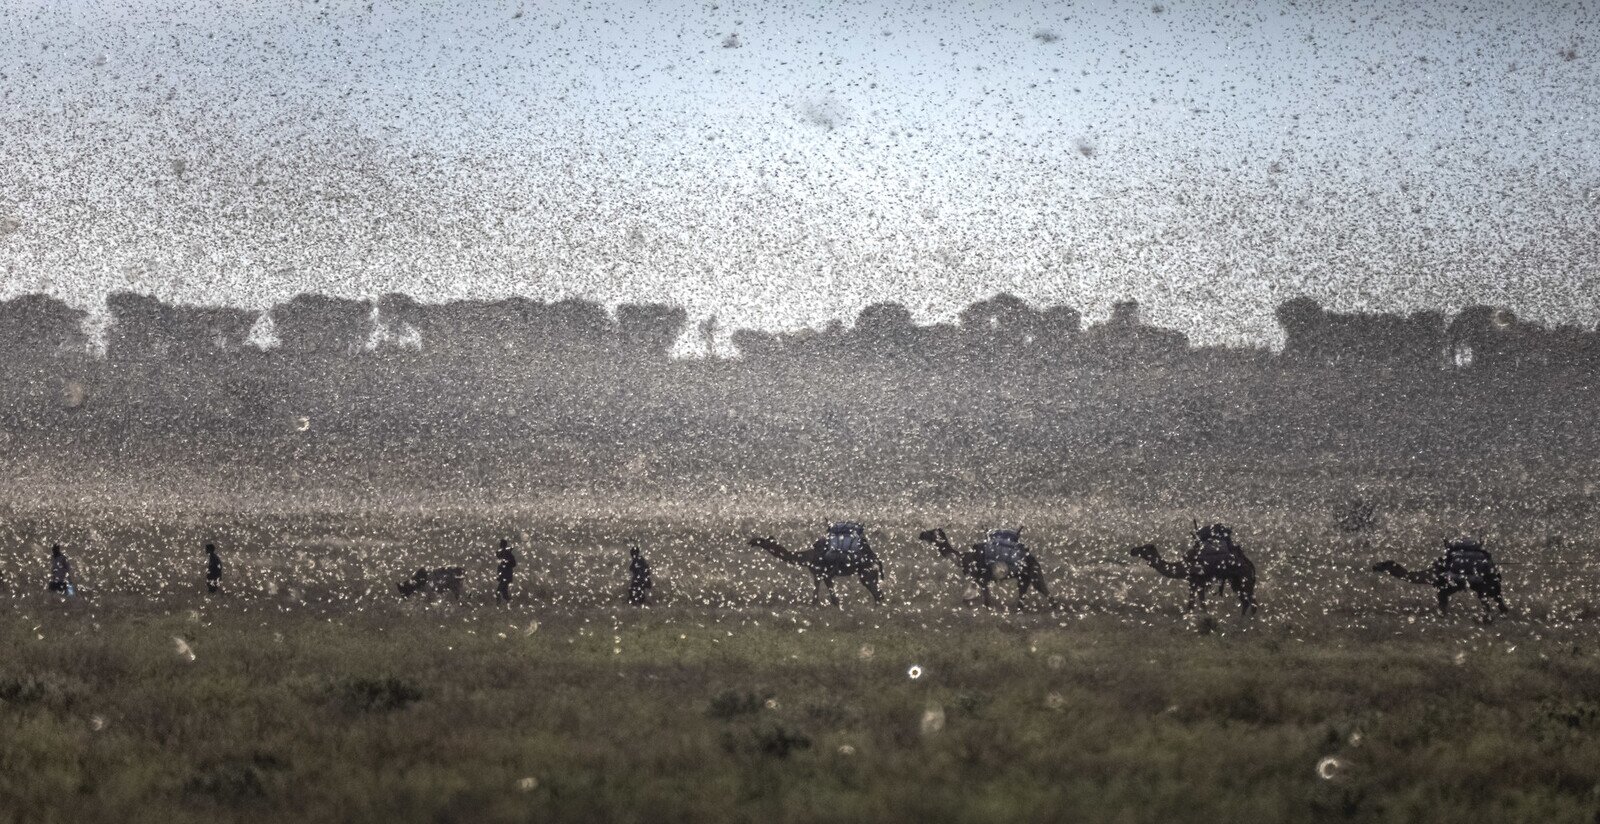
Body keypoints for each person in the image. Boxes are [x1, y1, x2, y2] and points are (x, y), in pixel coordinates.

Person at [495, 539, 517, 603]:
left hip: (506, 575)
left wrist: (506, 563)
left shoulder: (508, 554)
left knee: (498, 592)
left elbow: (513, 564)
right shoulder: (505, 553)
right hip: (504, 575)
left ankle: (498, 605)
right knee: (504, 593)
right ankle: (509, 603)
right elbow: (498, 555)